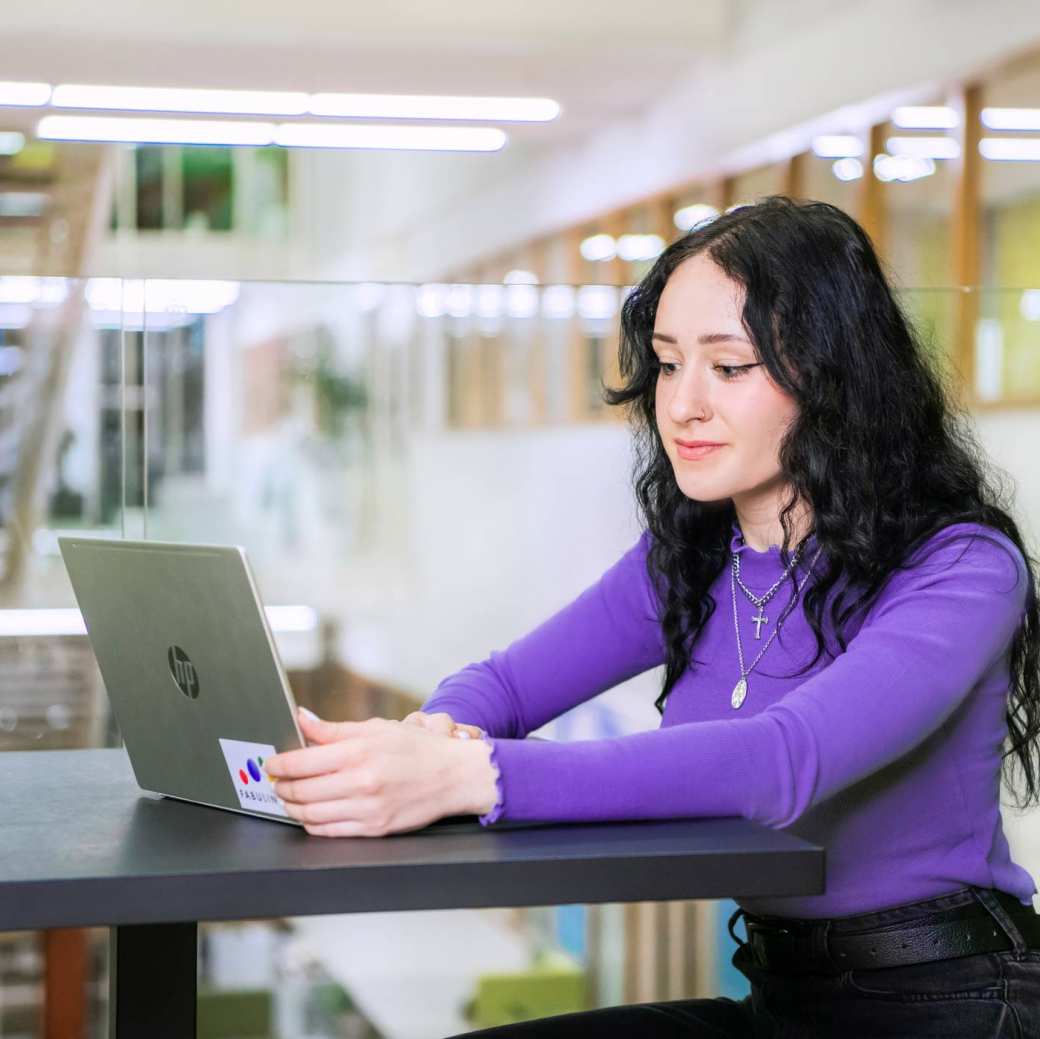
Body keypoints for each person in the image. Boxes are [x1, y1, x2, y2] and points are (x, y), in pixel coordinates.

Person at [265, 196, 1040, 1036]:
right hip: (782, 998)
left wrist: (473, 775)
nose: (682, 405)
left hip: (954, 999)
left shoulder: (962, 566)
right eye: (669, 364)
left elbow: (783, 761)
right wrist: (429, 738)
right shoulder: (694, 555)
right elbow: (505, 685)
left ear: (834, 378)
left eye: (730, 367)